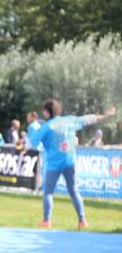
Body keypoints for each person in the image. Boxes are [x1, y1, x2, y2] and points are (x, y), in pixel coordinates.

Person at [28, 98, 116, 229]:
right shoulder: (69, 120)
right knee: (74, 191)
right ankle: (82, 221)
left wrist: (36, 132)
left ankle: (46, 221)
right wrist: (106, 115)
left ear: (46, 113)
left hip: (54, 164)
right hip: (69, 162)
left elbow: (34, 143)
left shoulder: (45, 127)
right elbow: (89, 119)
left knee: (48, 192)